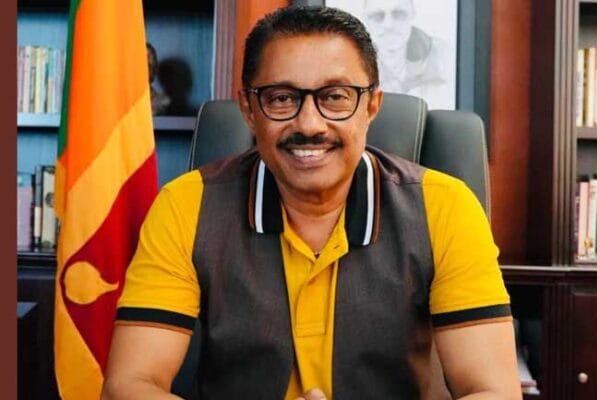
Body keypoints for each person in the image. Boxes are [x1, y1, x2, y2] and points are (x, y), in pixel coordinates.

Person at [102, 6, 521, 400]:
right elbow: (128, 385)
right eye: (281, 98)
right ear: (249, 109)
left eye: (335, 96)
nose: (309, 123)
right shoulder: (187, 205)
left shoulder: (444, 208)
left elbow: (494, 391)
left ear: (372, 106)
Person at [362, 0, 451, 109]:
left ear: (412, 15)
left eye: (398, 14)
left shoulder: (443, 56)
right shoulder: (352, 60)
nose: (389, 25)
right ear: (366, 20)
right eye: (377, 16)